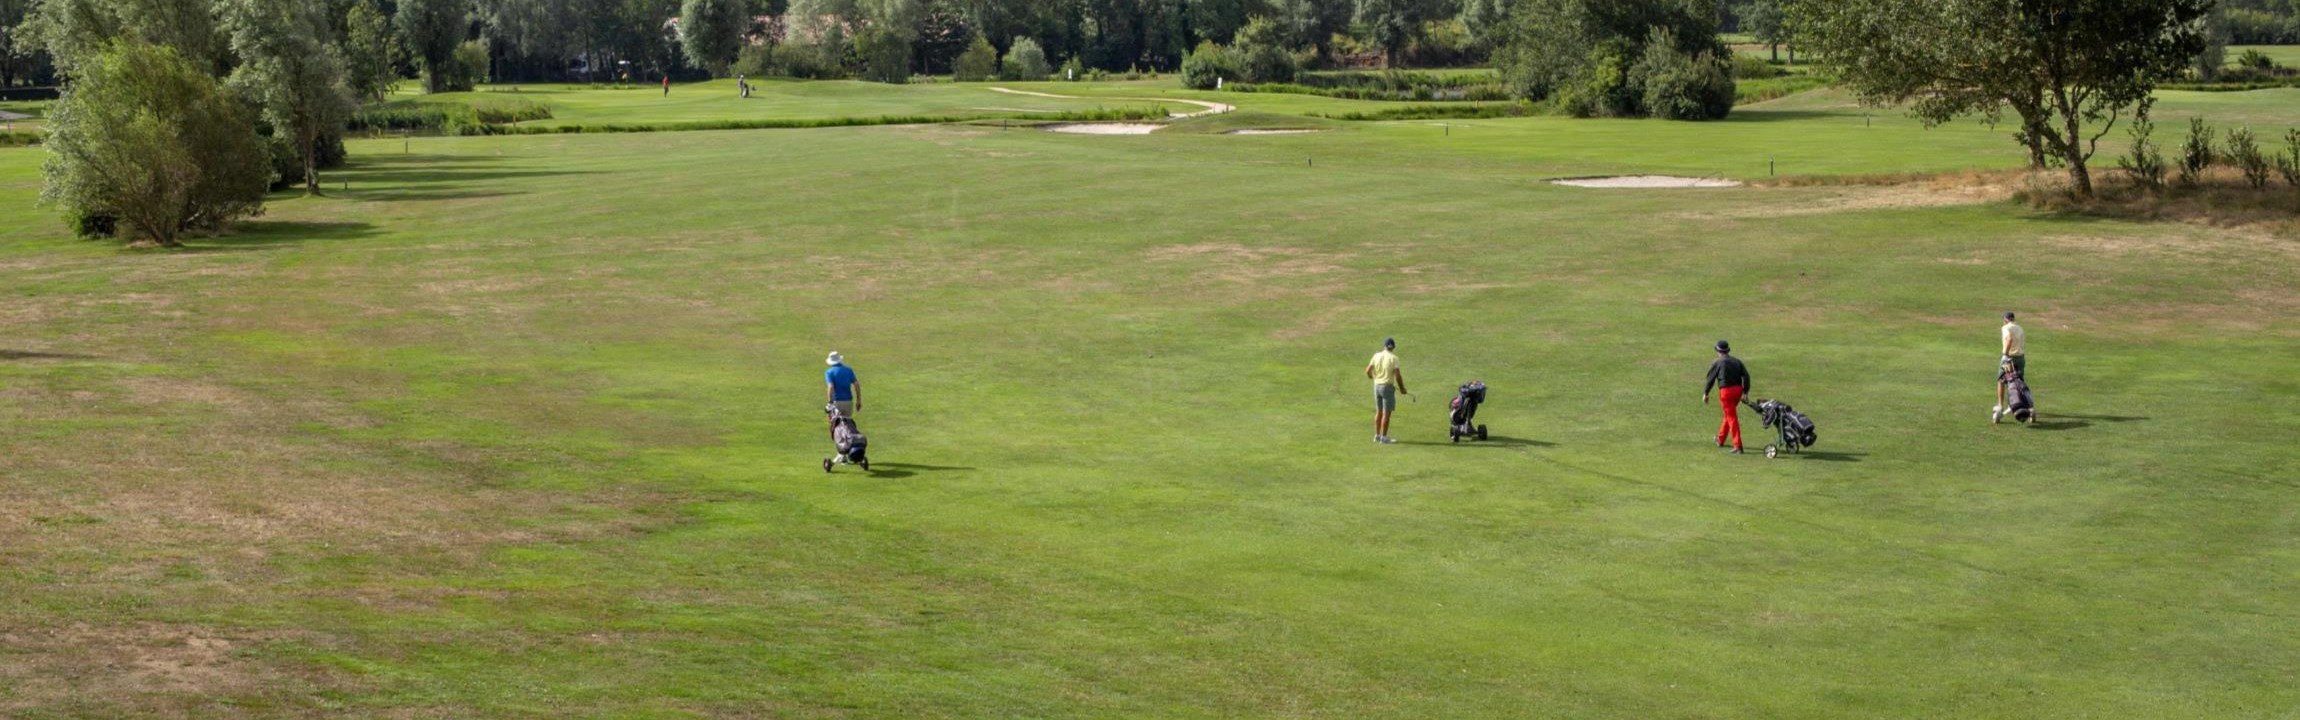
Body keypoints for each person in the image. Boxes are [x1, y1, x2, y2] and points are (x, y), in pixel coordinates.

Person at [1701, 339, 1752, 454]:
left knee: (1732, 418)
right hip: (1738, 391)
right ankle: (1720, 439)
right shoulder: (1737, 361)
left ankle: (1738, 445)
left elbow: (1710, 379)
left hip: (1726, 393)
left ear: (1718, 350)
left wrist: (1706, 393)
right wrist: (1745, 392)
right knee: (1728, 415)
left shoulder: (1718, 362)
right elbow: (1746, 376)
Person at [1365, 338, 1407, 444]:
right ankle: (1384, 437)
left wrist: (1372, 377)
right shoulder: (1394, 358)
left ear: (1384, 346)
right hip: (1387, 388)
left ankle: (1377, 436)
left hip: (1377, 386)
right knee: (1386, 414)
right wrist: (1402, 388)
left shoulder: (1376, 355)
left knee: (1379, 411)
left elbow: (1368, 371)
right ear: (1393, 347)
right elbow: (1397, 376)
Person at [1995, 311, 2026, 418]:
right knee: (2019, 381)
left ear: (2005, 319)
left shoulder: (2006, 328)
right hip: (2021, 358)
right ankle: (2020, 403)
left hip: (2009, 358)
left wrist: (2005, 354)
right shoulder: (2020, 328)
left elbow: (2009, 339)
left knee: (2001, 380)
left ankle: (2000, 405)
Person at [825, 351, 860, 440]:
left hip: (837, 402)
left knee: (837, 427)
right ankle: (848, 444)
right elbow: (856, 384)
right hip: (848, 401)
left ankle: (841, 450)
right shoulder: (848, 370)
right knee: (847, 426)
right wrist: (858, 400)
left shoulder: (829, 372)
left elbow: (831, 387)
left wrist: (830, 402)